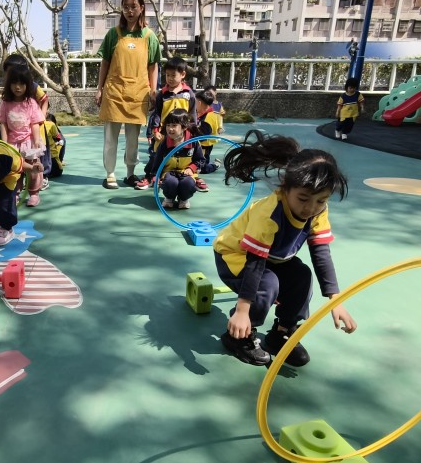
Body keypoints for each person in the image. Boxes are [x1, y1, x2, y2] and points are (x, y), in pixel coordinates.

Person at [212, 130, 357, 367]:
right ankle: (238, 335)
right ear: (285, 188)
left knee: (302, 276)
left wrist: (335, 300)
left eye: (321, 200)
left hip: (273, 258)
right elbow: (255, 263)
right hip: (235, 255)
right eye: (303, 198)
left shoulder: (318, 211)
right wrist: (242, 311)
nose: (311, 208)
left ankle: (281, 334)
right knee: (266, 284)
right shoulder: (269, 213)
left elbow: (321, 253)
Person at [96, 0, 161, 189]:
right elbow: (105, 63)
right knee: (111, 138)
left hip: (138, 94)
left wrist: (153, 91)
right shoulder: (113, 34)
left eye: (133, 7)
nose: (129, 11)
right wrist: (99, 89)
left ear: (142, 8)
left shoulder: (149, 36)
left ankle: (130, 173)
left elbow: (153, 66)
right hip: (114, 92)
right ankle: (110, 173)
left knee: (133, 139)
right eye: (125, 7)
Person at [0, 63, 46, 207]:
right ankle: (15, 193)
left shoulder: (30, 103)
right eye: (14, 83)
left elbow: (34, 123)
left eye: (21, 84)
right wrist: (5, 144)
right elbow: (3, 124)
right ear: (9, 84)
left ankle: (34, 193)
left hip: (28, 141)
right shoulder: (6, 103)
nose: (17, 87)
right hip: (12, 143)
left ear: (27, 85)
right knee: (14, 169)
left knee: (32, 169)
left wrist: (36, 140)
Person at [138, 109, 204, 210]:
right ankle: (169, 198)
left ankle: (183, 199)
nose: (170, 129)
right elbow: (157, 161)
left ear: (184, 127)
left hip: (186, 173)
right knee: (170, 182)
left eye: (174, 125)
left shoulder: (193, 142)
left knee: (188, 183)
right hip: (169, 173)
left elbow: (200, 160)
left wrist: (191, 168)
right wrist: (155, 176)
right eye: (168, 125)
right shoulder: (164, 143)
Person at [196, 88, 223, 179]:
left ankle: (215, 165)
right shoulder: (208, 113)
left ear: (199, 103)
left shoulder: (207, 118)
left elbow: (202, 137)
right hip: (204, 145)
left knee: (202, 167)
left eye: (195, 102)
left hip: (204, 146)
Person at [43, 113, 66, 178]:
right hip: (50, 156)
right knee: (58, 171)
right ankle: (60, 161)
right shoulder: (51, 124)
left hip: (34, 158)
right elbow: (59, 138)